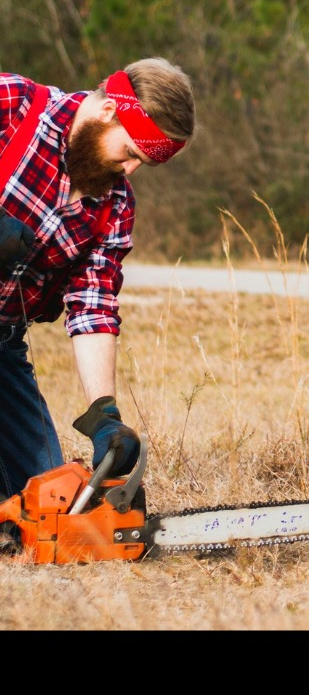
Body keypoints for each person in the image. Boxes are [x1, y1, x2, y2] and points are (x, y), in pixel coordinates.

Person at [0, 57, 195, 499]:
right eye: (129, 152)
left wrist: (103, 412)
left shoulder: (115, 207)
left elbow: (94, 306)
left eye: (143, 163)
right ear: (109, 110)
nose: (129, 171)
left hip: (2, 341)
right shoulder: (14, 104)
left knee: (47, 501)